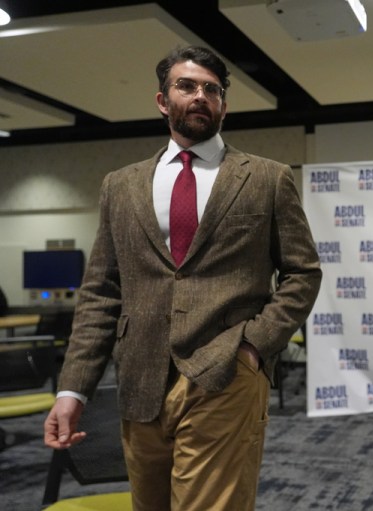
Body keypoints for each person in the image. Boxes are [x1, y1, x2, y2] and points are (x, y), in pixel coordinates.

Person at [43, 46, 322, 511]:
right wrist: (73, 389)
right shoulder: (121, 185)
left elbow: (302, 272)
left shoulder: (267, 178)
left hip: (226, 373)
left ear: (224, 106)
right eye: (187, 86)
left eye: (212, 90)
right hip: (140, 379)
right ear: (161, 100)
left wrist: (253, 347)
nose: (200, 96)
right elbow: (101, 293)